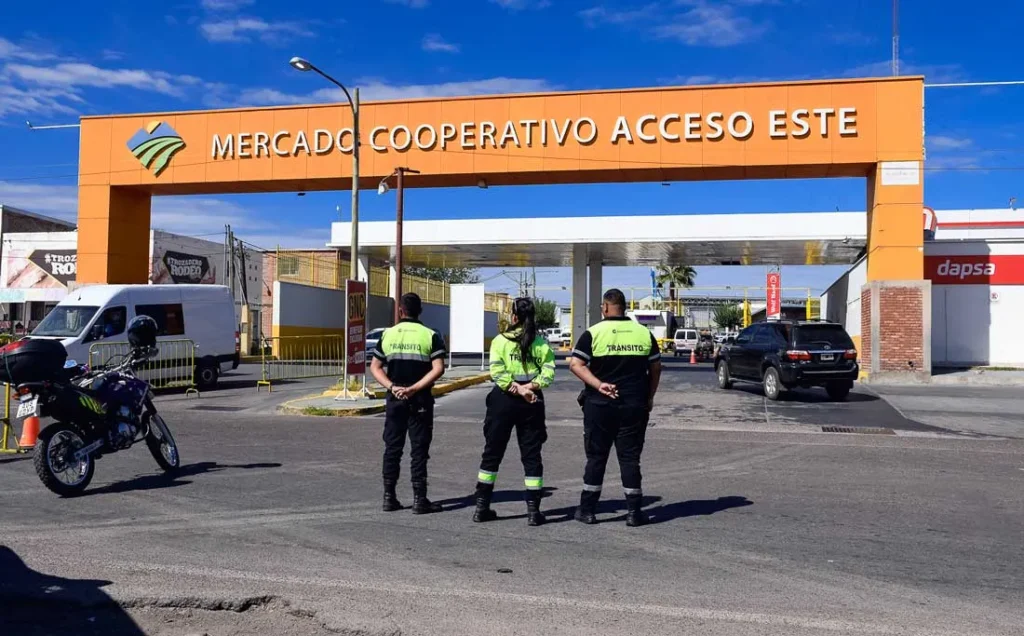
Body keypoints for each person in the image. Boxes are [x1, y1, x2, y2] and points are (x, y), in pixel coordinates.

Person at [569, 288, 662, 526]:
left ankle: (587, 510)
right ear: (624, 307)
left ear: (605, 307)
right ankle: (634, 513)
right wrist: (649, 397)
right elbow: (655, 368)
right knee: (630, 458)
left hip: (599, 406)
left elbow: (576, 364)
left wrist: (599, 385)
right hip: (633, 405)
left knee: (596, 457)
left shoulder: (593, 333)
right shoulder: (643, 334)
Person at [473, 298, 556, 526]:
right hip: (532, 401)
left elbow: (497, 372)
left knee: (492, 453)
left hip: (504, 400)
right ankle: (533, 512)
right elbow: (548, 372)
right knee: (532, 456)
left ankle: (481, 508)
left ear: (514, 317)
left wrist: (517, 389)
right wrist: (530, 388)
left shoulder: (500, 341)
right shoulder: (541, 343)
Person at [369, 293, 447, 514]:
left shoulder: (388, 334)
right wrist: (414, 388)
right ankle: (420, 500)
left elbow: (375, 367)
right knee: (419, 449)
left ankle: (389, 497)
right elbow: (438, 368)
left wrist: (392, 386)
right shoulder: (430, 335)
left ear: (400, 311)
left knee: (393, 448)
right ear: (420, 311)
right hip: (419, 397)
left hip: (395, 398)